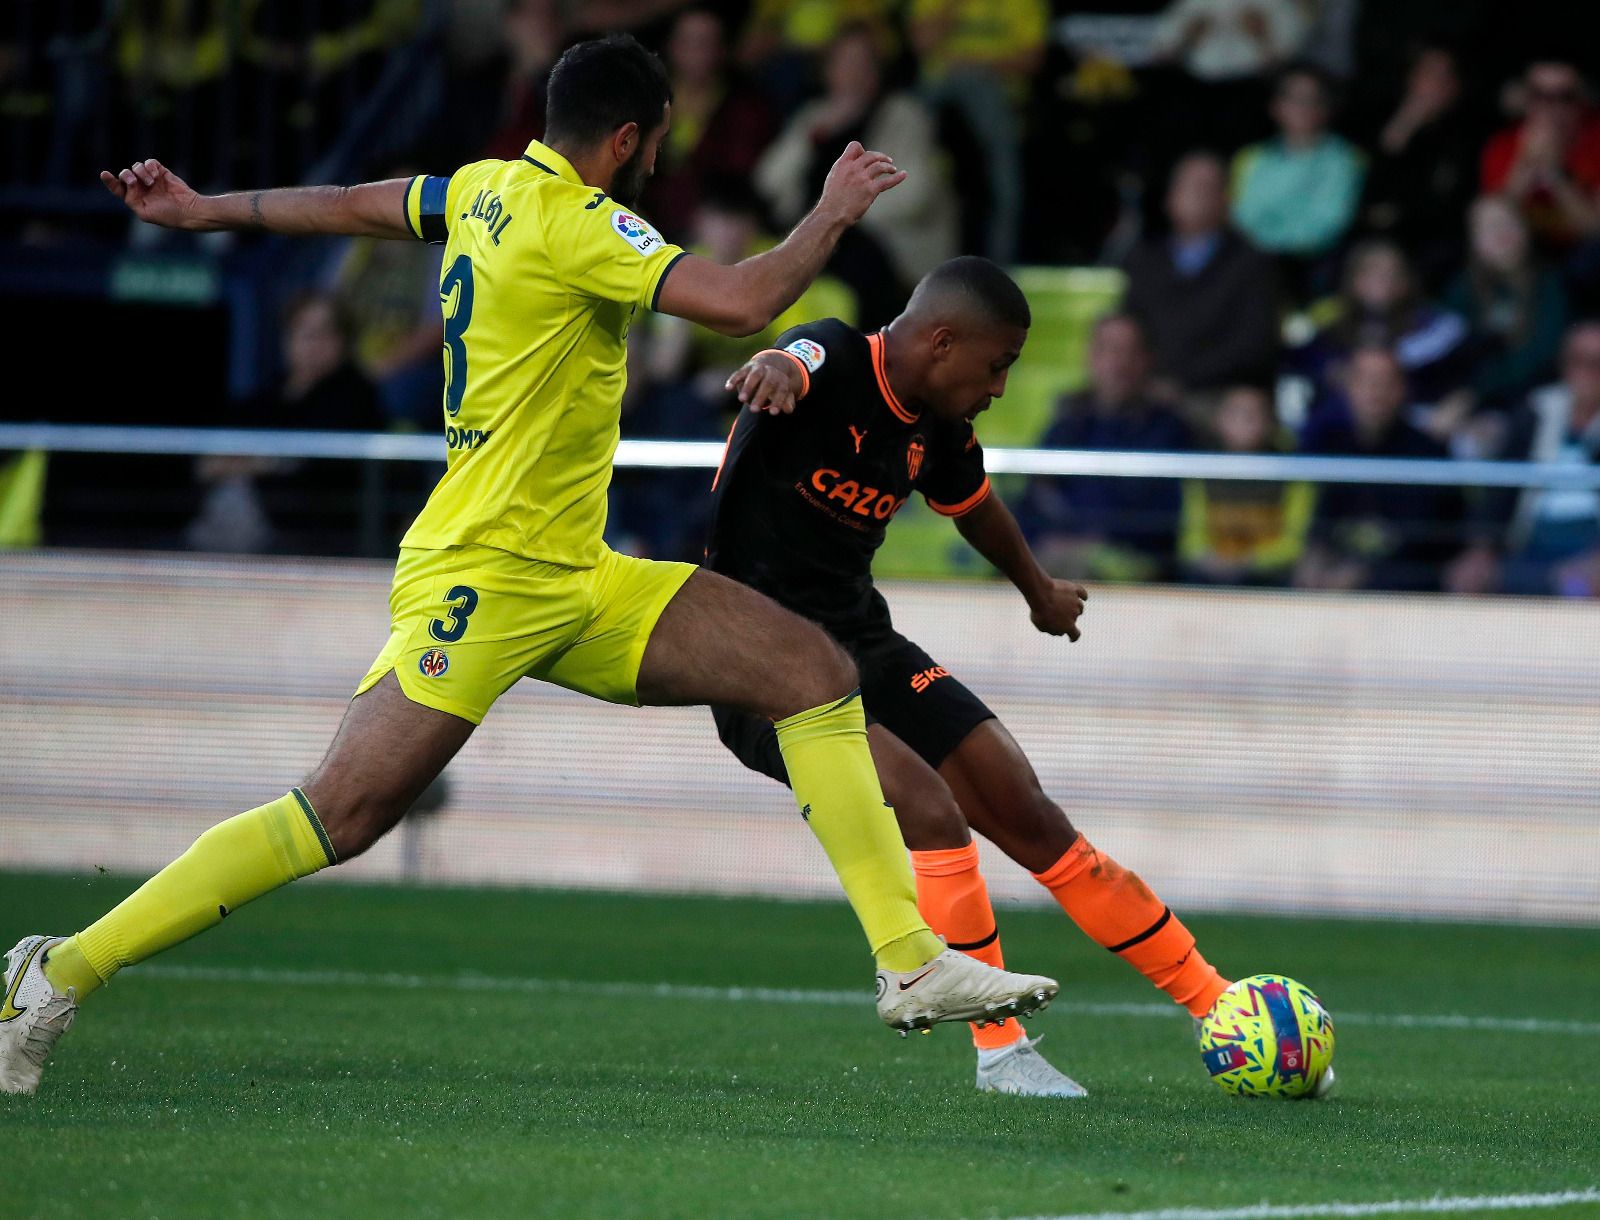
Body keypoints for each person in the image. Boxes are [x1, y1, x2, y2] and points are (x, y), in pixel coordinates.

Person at [1, 35, 1058, 1098]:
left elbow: (361, 202)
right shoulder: (583, 222)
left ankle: (907, 959)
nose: (656, 166)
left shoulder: (482, 189)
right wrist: (831, 208)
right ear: (629, 139)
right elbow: (741, 302)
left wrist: (210, 207)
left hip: (575, 573)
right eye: (657, 147)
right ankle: (56, 969)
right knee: (343, 813)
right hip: (487, 574)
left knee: (812, 668)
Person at [708, 258, 1239, 1097]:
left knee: (1026, 809)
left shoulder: (936, 427)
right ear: (943, 340)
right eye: (998, 365)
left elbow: (977, 505)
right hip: (756, 661)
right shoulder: (833, 357)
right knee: (931, 807)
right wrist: (773, 366)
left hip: (860, 640)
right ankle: (1002, 1054)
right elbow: (794, 356)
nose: (1000, 386)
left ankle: (1221, 1007)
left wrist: (1039, 592)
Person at [755, 22, 957, 291]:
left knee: (847, 253)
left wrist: (841, 214)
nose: (854, 73)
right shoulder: (814, 116)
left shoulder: (904, 116)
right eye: (844, 63)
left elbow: (915, 193)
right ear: (827, 70)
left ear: (878, 71)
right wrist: (812, 137)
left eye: (863, 63)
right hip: (812, 243)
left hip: (883, 254)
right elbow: (767, 181)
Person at [186, 292, 385, 556]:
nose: (313, 344)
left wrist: (260, 463)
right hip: (253, 513)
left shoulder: (356, 393)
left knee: (236, 498)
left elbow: (318, 464)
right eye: (304, 332)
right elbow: (213, 458)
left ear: (343, 341)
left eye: (325, 333)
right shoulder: (270, 395)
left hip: (317, 524)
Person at [1014, 313, 1194, 583]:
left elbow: (1163, 522)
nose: (1117, 363)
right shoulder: (1067, 424)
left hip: (1134, 564)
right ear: (1091, 358)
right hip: (1060, 554)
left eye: (1128, 351)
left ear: (1147, 360)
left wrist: (1094, 540)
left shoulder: (1169, 431)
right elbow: (1033, 500)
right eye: (1107, 350)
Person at [1446, 320, 1600, 598]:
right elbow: (1502, 486)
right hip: (1528, 545)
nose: (1586, 372)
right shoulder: (1536, 411)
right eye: (1577, 361)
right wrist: (1481, 548)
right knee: (1466, 578)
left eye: (1596, 363)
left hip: (1591, 550)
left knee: (1578, 586)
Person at [1297, 345, 1465, 592]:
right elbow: (1320, 521)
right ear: (1348, 388)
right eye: (1364, 380)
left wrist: (1361, 573)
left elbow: (1421, 543)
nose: (1374, 391)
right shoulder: (1330, 446)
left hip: (1408, 590)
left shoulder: (1429, 453)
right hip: (1334, 580)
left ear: (1402, 389)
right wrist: (1314, 558)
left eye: (1385, 381)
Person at [1121, 151, 1279, 398]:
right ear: (1170, 197)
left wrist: (1182, 383)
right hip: (1148, 394)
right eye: (1190, 185)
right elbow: (1128, 328)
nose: (1198, 195)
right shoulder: (1143, 260)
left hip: (1219, 397)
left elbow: (1253, 346)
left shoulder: (1253, 263)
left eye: (1208, 187)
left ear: (1226, 199)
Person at [909, 0, 1047, 264]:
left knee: (979, 88)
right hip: (938, 99)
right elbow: (921, 43)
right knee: (904, 116)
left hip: (998, 100)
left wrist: (976, 64)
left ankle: (1000, 264)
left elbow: (1033, 59)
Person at [1293, 240, 1471, 442]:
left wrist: (1462, 400)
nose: (1383, 279)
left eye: (1393, 272)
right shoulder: (1331, 330)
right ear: (1354, 279)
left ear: (1407, 280)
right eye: (1372, 271)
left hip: (1425, 429)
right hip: (1344, 433)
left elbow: (1468, 377)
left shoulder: (1437, 329)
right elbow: (1297, 363)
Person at [1358, 43, 1480, 289]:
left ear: (1456, 87)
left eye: (1445, 76)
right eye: (1428, 74)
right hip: (1374, 237)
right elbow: (1365, 191)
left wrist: (1399, 213)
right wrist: (1404, 124)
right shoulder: (1376, 120)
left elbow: (1448, 206)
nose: (1436, 84)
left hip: (1429, 243)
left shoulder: (1466, 136)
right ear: (1410, 79)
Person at [1231, 65, 1364, 286]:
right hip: (1252, 260)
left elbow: (1327, 225)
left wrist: (1273, 243)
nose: (1303, 107)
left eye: (1313, 99)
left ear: (1326, 108)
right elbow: (1244, 215)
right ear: (1276, 106)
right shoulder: (1249, 158)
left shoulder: (1346, 159)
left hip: (1314, 266)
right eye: (1294, 98)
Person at [1443, 194, 1569, 416]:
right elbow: (1451, 354)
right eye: (1489, 227)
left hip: (1537, 400)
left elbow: (1544, 354)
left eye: (1508, 222)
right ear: (1474, 240)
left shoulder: (1553, 283)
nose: (1501, 233)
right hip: (1472, 406)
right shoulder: (1461, 289)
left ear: (1526, 230)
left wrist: (1476, 392)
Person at [1178, 384, 1313, 586]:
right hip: (1212, 575)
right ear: (1219, 421)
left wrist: (1248, 562)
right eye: (1236, 412)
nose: (1245, 420)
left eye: (1254, 413)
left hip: (1270, 577)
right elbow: (1191, 540)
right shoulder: (1201, 471)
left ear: (1271, 422)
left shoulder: (1293, 473)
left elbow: (1294, 544)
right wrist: (1211, 560)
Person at [1480, 60, 1600, 253]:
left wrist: (1555, 175)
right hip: (1526, 256)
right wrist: (1524, 165)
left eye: (1564, 97)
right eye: (1539, 95)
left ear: (1583, 100)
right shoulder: (1501, 145)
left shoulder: (1596, 138)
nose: (1549, 108)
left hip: (1584, 254)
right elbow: (1493, 227)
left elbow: (1595, 229)